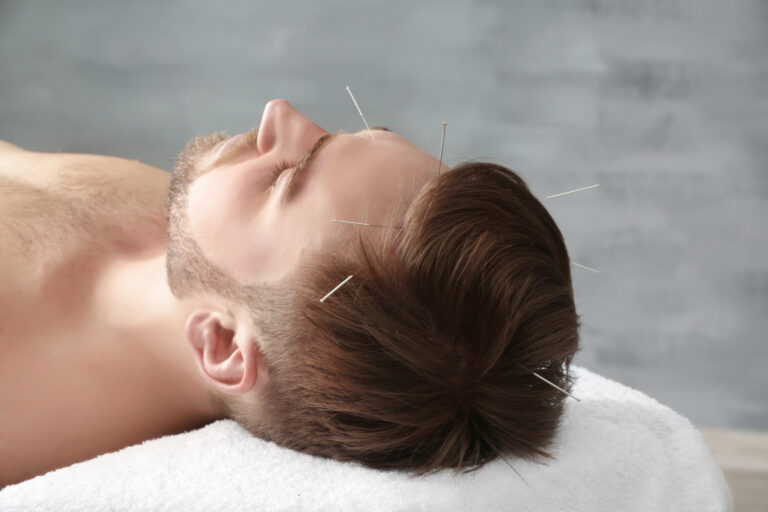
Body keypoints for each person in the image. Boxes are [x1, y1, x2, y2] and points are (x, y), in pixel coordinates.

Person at [0, 99, 580, 487]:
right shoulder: (190, 242)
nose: (280, 113)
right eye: (343, 136)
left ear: (225, 345)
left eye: (285, 177)